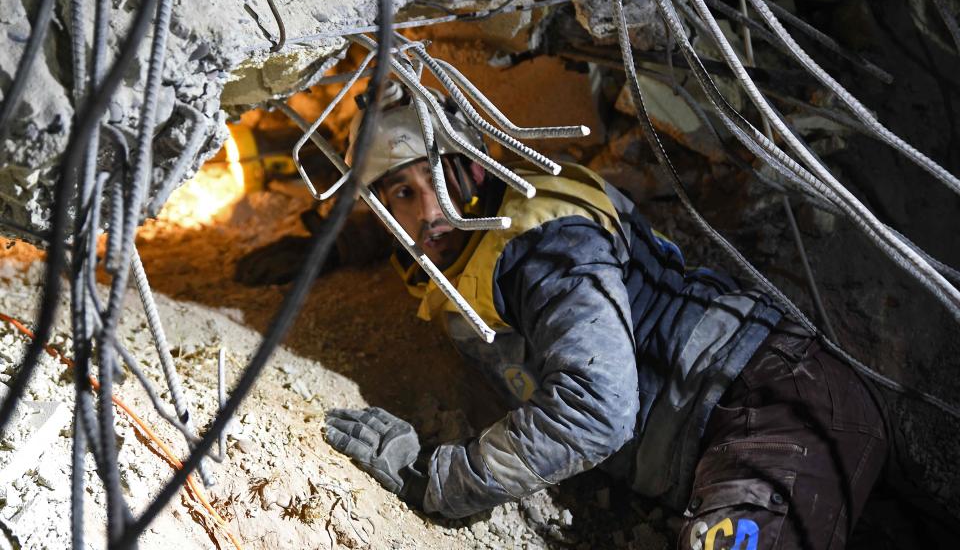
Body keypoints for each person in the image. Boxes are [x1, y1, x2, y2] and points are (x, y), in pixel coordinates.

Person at [322, 83, 888, 549]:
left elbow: (598, 408)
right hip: (723, 437)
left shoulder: (545, 242)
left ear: (476, 166)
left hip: (773, 409)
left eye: (440, 174)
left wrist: (435, 481)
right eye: (401, 192)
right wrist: (329, 247)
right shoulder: (463, 254)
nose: (431, 210)